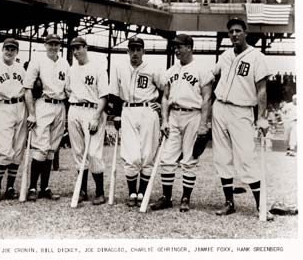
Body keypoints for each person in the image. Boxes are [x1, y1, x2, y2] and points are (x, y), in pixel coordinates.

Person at [211, 18, 273, 220]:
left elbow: (262, 90)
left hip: (242, 110)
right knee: (222, 157)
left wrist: (262, 118)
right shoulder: (225, 55)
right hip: (220, 107)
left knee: (247, 157)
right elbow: (212, 75)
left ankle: (260, 205)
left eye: (238, 31)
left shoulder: (257, 56)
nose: (234, 34)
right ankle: (229, 202)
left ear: (245, 33)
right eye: (231, 32)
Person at [150, 34, 213, 212]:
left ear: (190, 47)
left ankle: (185, 198)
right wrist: (164, 120)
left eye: (180, 46)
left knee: (189, 159)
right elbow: (165, 97)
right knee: (167, 158)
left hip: (193, 115)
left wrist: (203, 124)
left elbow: (207, 98)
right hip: (174, 115)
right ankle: (167, 197)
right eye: (175, 46)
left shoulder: (201, 69)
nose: (176, 50)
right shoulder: (171, 71)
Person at [109, 37, 163, 207]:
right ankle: (132, 191)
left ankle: (142, 192)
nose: (135, 53)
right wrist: (116, 115)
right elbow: (115, 93)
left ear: (143, 51)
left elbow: (165, 88)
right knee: (130, 154)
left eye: (138, 49)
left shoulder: (153, 68)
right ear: (128, 51)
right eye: (132, 49)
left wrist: (160, 103)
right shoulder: (119, 67)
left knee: (148, 154)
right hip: (127, 111)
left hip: (148, 110)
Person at [23, 34, 70, 201]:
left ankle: (45, 187)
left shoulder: (64, 62)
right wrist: (32, 114)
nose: (53, 46)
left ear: (60, 45)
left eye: (56, 44)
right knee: (41, 147)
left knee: (51, 149)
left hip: (60, 105)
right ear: (45, 44)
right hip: (43, 103)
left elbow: (69, 88)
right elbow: (27, 88)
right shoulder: (37, 60)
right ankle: (32, 187)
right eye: (50, 43)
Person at [67, 37, 109, 205]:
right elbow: (67, 89)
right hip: (74, 108)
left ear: (86, 47)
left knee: (93, 152)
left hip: (93, 109)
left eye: (79, 48)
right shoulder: (72, 69)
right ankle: (82, 190)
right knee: (78, 151)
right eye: (74, 49)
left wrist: (97, 116)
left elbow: (104, 96)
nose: (76, 52)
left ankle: (100, 192)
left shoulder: (98, 67)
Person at [0, 38, 27, 202]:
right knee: (4, 148)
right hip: (2, 106)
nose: (9, 52)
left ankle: (10, 187)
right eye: (7, 48)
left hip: (20, 106)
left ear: (17, 52)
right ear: (2, 49)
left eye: (13, 49)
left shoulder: (21, 68)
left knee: (17, 150)